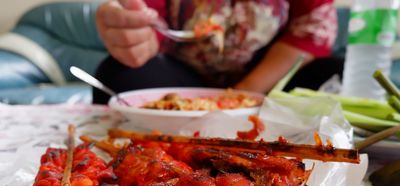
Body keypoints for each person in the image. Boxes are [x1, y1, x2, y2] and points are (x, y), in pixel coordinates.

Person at [94, 0, 339, 104]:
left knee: (335, 73)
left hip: (268, 78)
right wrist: (136, 31)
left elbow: (310, 31)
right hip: (185, 76)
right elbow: (151, 19)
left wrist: (243, 94)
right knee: (117, 72)